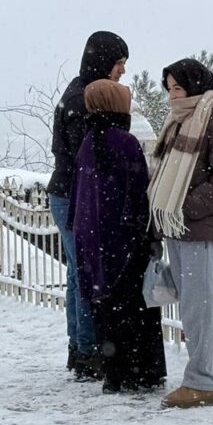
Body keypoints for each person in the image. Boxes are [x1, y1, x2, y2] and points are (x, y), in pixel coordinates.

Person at [147, 57, 213, 408]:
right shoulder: (180, 120)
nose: (172, 96)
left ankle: (201, 382)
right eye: (169, 89)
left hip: (198, 225)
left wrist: (187, 206)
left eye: (178, 88)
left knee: (199, 306)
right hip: (177, 225)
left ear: (195, 86)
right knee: (199, 302)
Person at [67, 80, 167, 393]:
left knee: (106, 310)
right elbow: (138, 193)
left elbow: (80, 195)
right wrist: (148, 234)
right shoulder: (126, 143)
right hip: (124, 239)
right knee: (135, 309)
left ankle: (114, 373)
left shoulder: (88, 142)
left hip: (94, 240)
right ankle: (141, 373)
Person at [49, 31, 129, 378]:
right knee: (87, 275)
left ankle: (79, 348)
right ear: (103, 61)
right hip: (76, 198)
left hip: (65, 194)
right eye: (119, 63)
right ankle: (89, 351)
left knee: (76, 274)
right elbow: (92, 160)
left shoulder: (78, 92)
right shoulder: (85, 103)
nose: (122, 70)